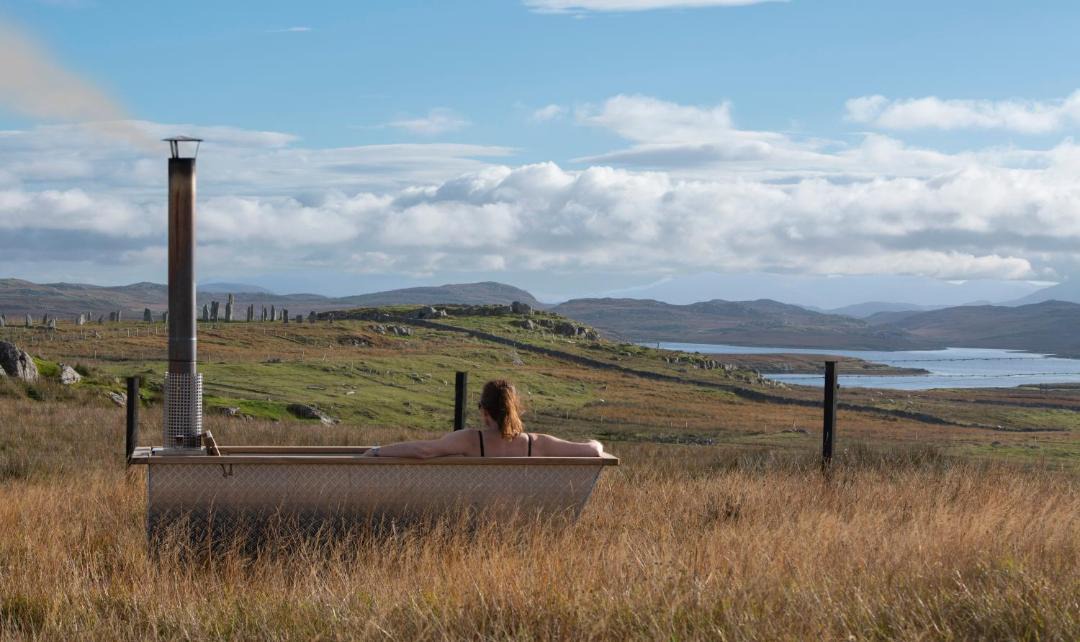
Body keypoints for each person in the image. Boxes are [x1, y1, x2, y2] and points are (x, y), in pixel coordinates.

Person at [363, 379, 604, 458]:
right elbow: (593, 451)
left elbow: (424, 450)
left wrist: (376, 451)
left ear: (485, 411)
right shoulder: (537, 443)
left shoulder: (470, 440)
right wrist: (596, 442)